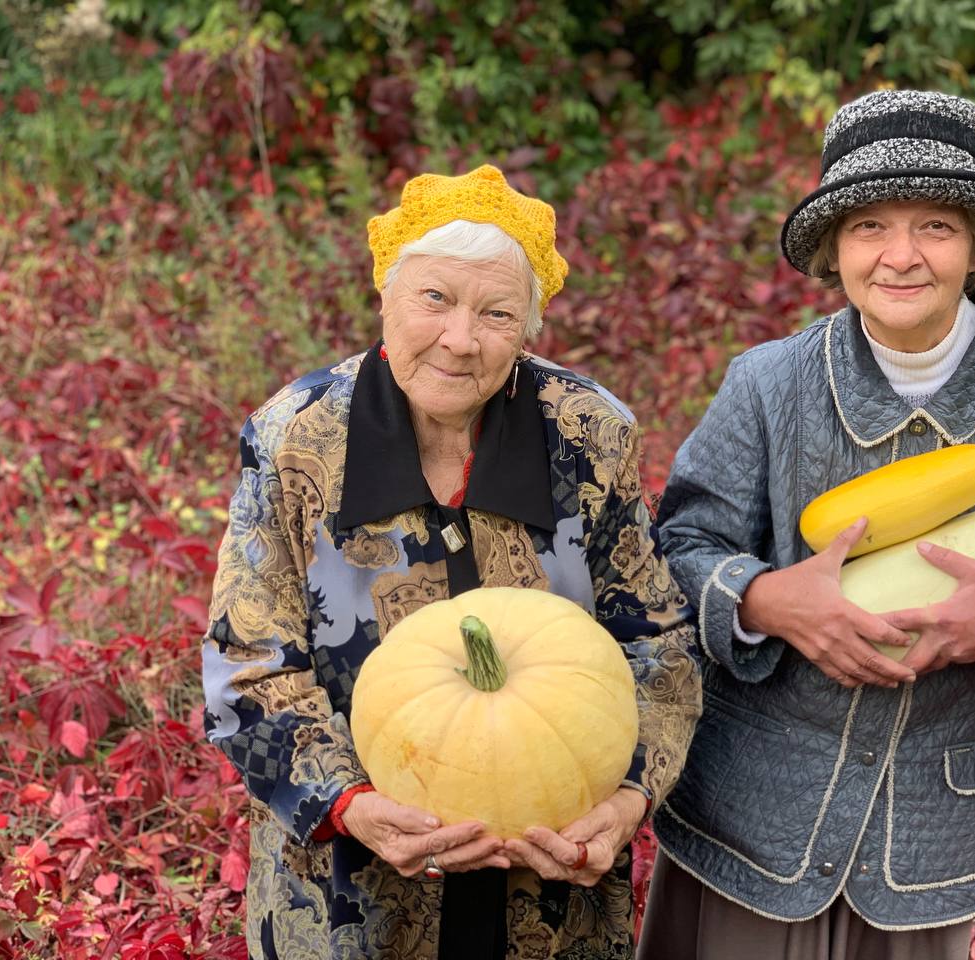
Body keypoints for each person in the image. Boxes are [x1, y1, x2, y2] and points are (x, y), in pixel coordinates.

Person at [637, 90, 975, 959]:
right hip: (750, 818)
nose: (901, 256)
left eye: (934, 225)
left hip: (933, 832)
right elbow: (672, 557)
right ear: (833, 247)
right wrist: (768, 601)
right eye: (868, 228)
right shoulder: (768, 385)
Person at [201, 164, 701, 960]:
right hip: (353, 895)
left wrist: (632, 795)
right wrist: (352, 804)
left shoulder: (587, 434)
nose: (460, 339)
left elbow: (660, 644)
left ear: (529, 327)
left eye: (497, 312)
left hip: (553, 887)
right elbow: (247, 669)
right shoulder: (296, 440)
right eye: (434, 299)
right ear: (386, 297)